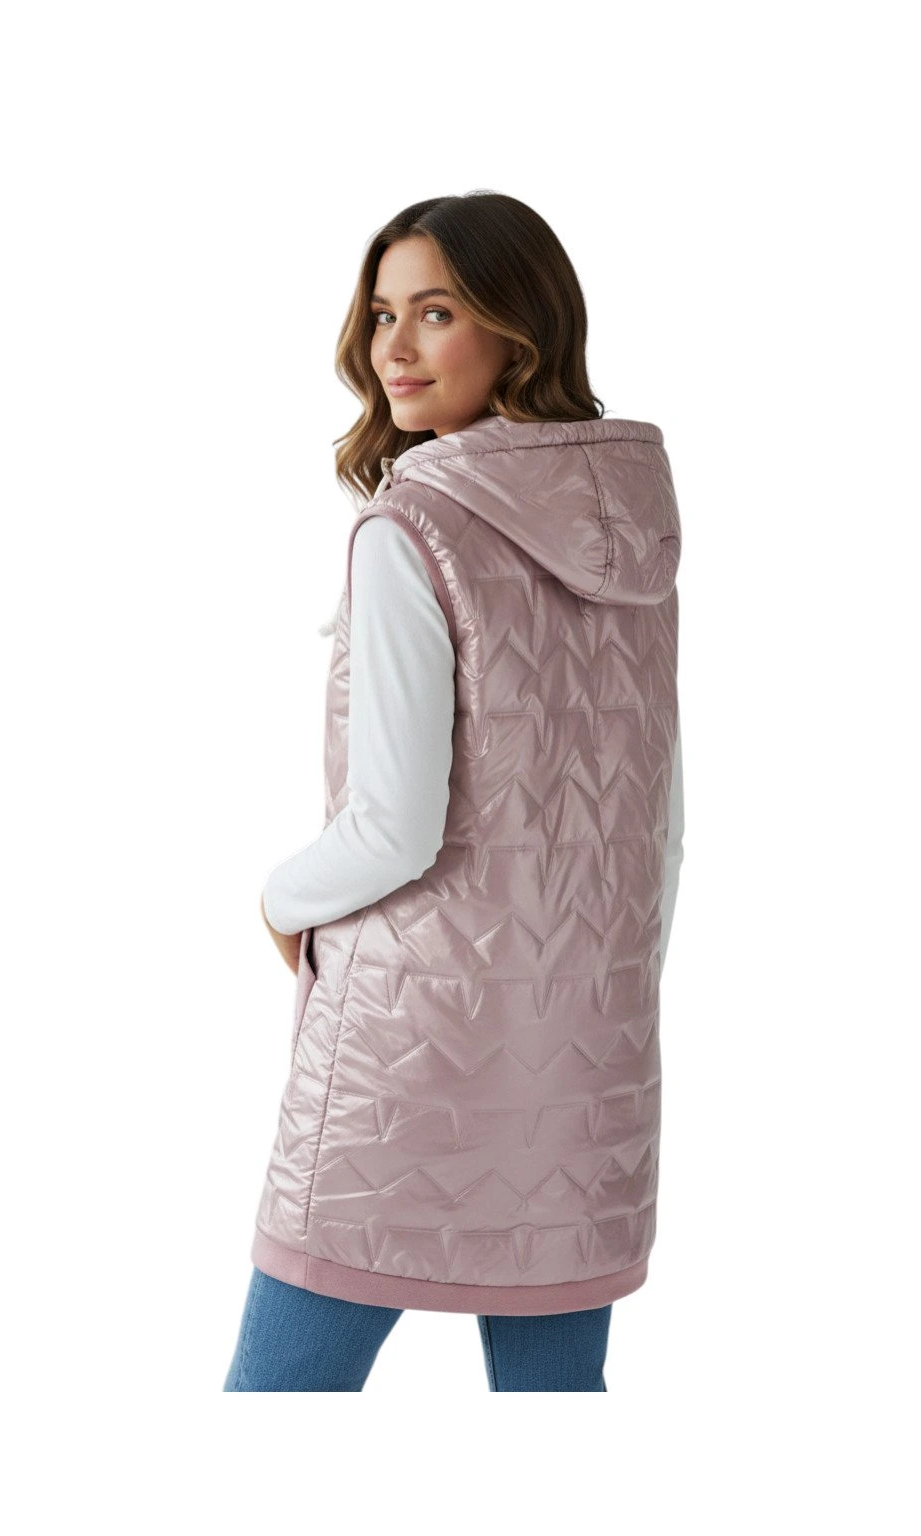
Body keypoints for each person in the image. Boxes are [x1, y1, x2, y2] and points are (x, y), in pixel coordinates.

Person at [224, 192, 684, 1392]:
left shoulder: (412, 529)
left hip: (403, 1050)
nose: (395, 347)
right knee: (554, 1409)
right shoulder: (635, 529)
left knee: (276, 1402)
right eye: (383, 313)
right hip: (584, 1048)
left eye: (436, 312)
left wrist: (280, 902)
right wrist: (609, 981)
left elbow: (392, 827)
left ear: (519, 329)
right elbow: (660, 823)